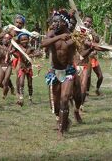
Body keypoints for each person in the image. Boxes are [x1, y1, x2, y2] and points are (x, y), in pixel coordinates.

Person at [41, 9, 76, 138]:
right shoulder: (51, 34)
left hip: (68, 71)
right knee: (55, 104)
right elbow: (43, 44)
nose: (54, 24)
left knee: (64, 99)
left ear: (64, 23)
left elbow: (84, 45)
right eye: (53, 21)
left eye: (57, 21)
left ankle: (61, 129)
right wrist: (59, 37)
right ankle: (64, 120)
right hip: (55, 71)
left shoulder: (73, 35)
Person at [84, 16, 103, 96]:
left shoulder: (92, 31)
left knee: (100, 76)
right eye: (86, 21)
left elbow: (97, 40)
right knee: (88, 76)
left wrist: (92, 33)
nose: (88, 23)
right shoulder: (80, 31)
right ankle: (86, 92)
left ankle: (97, 89)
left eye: (89, 22)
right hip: (86, 57)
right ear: (83, 21)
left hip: (93, 58)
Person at [0, 33, 15, 99]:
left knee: (6, 80)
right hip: (2, 67)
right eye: (4, 38)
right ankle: (8, 88)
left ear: (9, 40)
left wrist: (10, 45)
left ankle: (4, 95)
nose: (5, 40)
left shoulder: (12, 48)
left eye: (7, 38)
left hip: (9, 66)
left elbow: (9, 52)